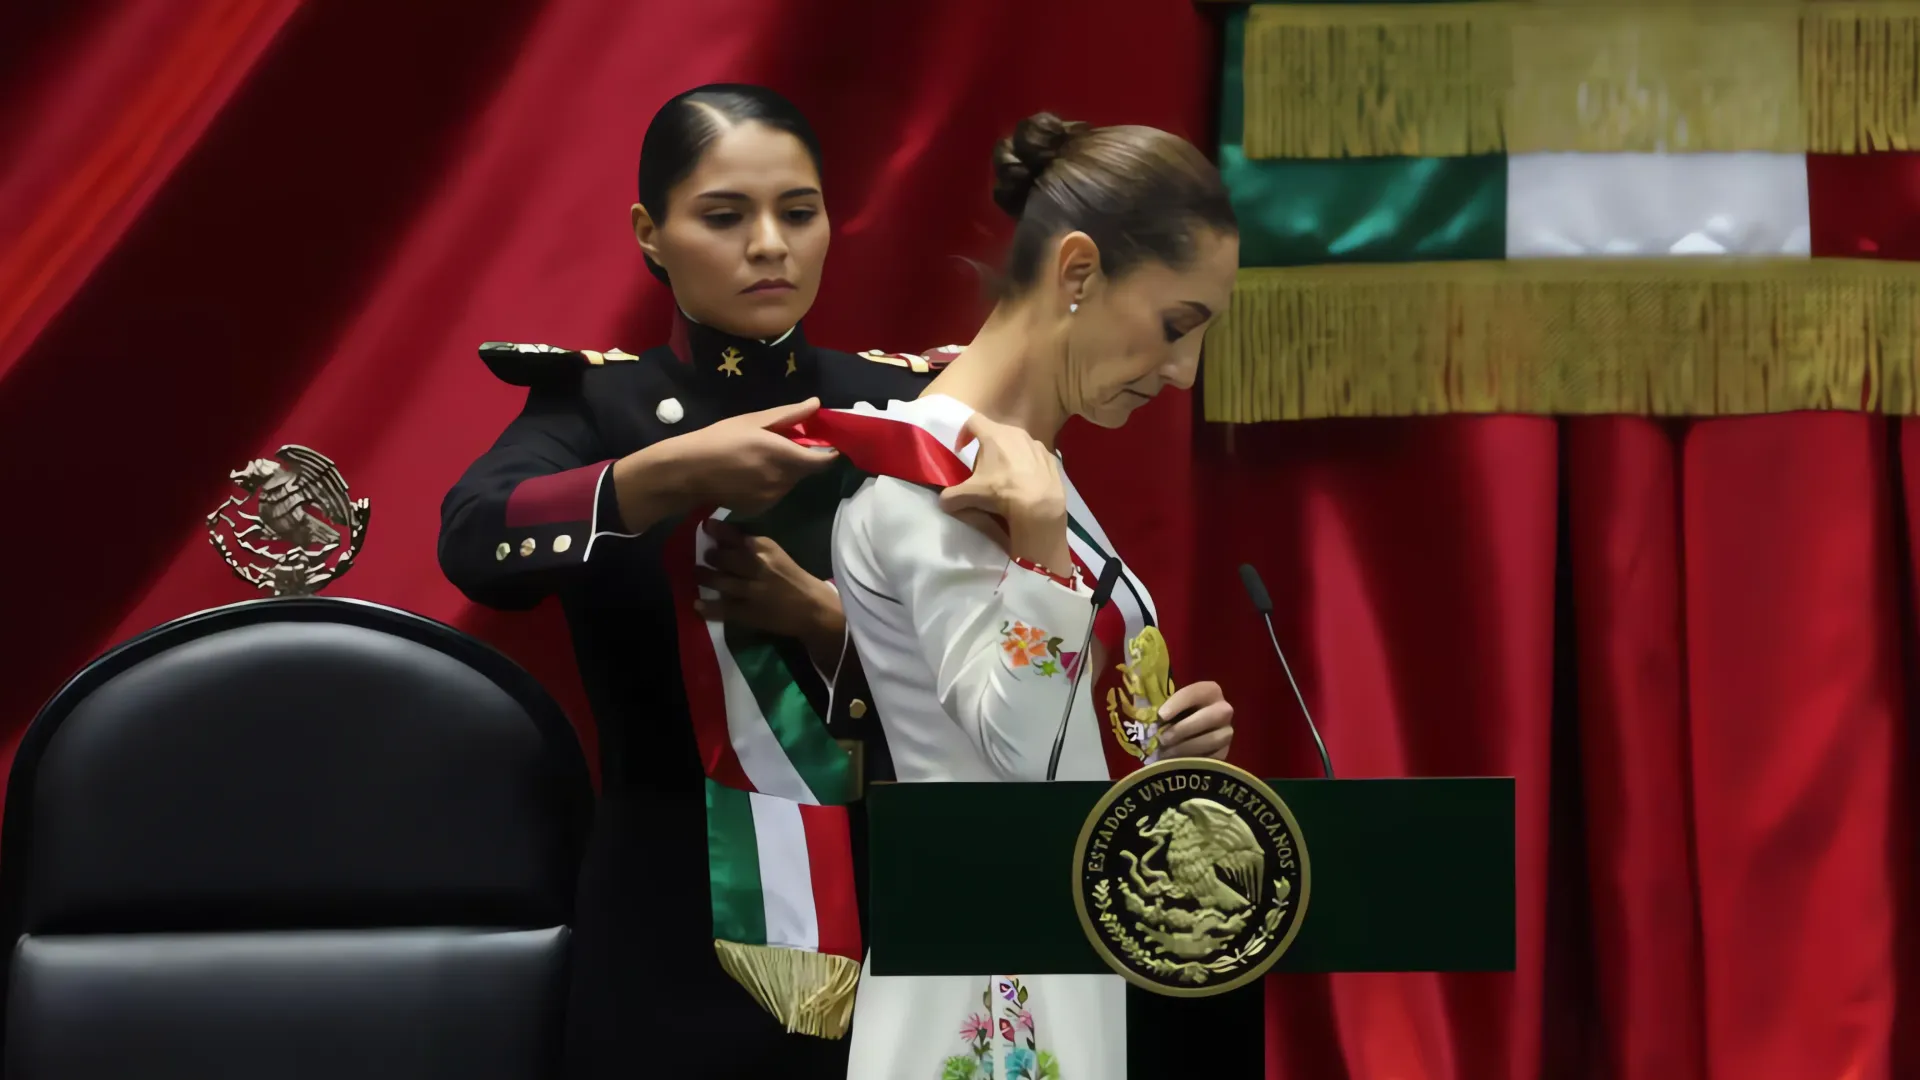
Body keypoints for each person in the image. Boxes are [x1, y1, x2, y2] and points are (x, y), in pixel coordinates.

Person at [439, 84, 942, 1078]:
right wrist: (660, 478)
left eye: (798, 212)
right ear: (651, 233)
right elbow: (473, 541)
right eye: (724, 215)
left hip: (902, 883)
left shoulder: (908, 406)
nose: (770, 245)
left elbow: (1010, 643)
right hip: (670, 890)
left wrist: (834, 622)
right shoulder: (598, 407)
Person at [827, 113, 1241, 1079]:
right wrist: (1045, 550)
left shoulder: (1027, 470)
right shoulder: (925, 476)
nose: (1183, 373)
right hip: (979, 973)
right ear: (1079, 272)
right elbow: (1016, 749)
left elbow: (1064, 739)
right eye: (1176, 327)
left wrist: (1160, 745)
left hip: (1056, 939)